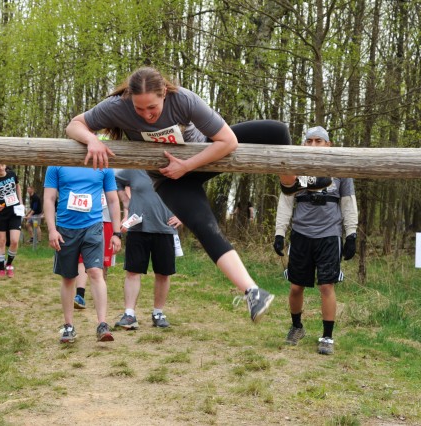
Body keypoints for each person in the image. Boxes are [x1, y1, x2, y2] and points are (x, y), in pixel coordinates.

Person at [66, 66, 288, 322]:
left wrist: (187, 166)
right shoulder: (117, 105)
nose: (147, 115)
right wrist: (92, 140)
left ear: (164, 94)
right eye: (140, 109)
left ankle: (291, 186)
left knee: (277, 131)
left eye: (152, 108)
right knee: (205, 228)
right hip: (169, 179)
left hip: (201, 160)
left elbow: (228, 141)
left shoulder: (184, 100)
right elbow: (74, 125)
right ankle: (253, 292)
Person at [273, 126, 358, 355]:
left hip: (329, 235)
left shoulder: (341, 168)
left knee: (327, 286)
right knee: (295, 286)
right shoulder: (294, 168)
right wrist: (279, 233)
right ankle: (296, 326)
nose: (313, 145)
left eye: (318, 141)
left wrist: (351, 234)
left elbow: (348, 202)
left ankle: (327, 337)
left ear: (328, 144)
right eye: (308, 141)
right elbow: (286, 202)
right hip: (301, 234)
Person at [43, 166, 122, 343]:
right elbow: (49, 198)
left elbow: (113, 200)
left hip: (93, 226)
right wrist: (51, 229)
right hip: (65, 228)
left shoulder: (102, 164)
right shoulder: (57, 164)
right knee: (68, 277)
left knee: (95, 272)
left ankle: (102, 324)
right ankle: (68, 326)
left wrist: (116, 233)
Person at [114, 168, 182, 329]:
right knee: (132, 271)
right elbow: (115, 180)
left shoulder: (175, 169)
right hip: (137, 227)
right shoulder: (135, 169)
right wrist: (125, 201)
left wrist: (182, 214)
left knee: (163, 274)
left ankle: (158, 313)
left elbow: (189, 191)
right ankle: (129, 314)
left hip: (165, 228)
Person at [73, 191, 115, 309]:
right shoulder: (81, 172)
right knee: (82, 258)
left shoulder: (113, 174)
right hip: (85, 218)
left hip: (106, 219)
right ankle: (80, 295)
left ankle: (100, 296)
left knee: (103, 259)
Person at [0, 164, 23, 278]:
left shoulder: (12, 174)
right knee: (1, 241)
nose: (0, 168)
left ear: (5, 165)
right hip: (2, 213)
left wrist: (21, 202)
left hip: (15, 212)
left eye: (2, 165)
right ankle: (1, 268)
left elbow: (18, 186)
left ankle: (9, 264)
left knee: (14, 241)